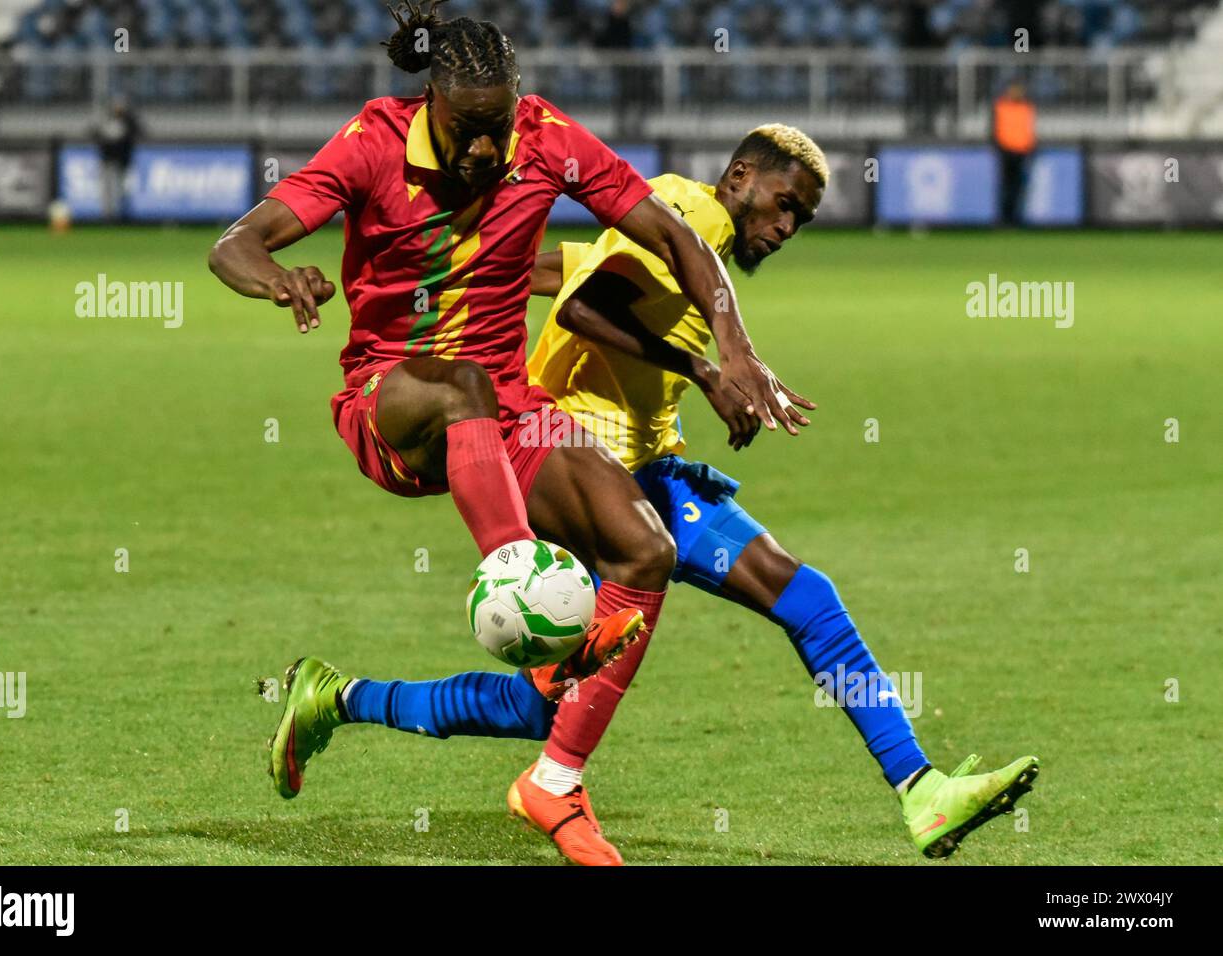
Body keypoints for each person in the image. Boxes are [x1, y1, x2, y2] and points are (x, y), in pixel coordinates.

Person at [300, 124, 1040, 865]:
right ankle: (440, 738)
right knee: (544, 699)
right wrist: (710, 371)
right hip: (586, 479)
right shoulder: (696, 217)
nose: (785, 228)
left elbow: (565, 276)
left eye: (802, 220)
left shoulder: (683, 220)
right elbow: (586, 307)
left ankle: (921, 789)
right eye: (782, 205)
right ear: (742, 175)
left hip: (652, 470)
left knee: (800, 602)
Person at [207, 1, 808, 802]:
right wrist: (280, 279)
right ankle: (516, 572)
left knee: (645, 547)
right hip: (395, 400)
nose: (488, 146)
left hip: (509, 413)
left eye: (501, 124)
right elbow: (234, 244)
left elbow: (676, 237)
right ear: (434, 105)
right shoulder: (372, 143)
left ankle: (552, 774)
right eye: (470, 128)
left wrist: (735, 348)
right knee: (464, 386)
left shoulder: (546, 137)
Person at [993, 80, 1037, 225]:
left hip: (1022, 152)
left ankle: (1016, 219)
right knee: (1006, 186)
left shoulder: (1027, 107)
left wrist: (1030, 147)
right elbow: (995, 130)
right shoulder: (1001, 106)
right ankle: (1004, 218)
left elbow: (1029, 129)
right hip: (1006, 152)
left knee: (1019, 187)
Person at [96, 97, 141, 223]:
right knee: (107, 190)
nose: (118, 109)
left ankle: (121, 215)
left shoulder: (129, 121)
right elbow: (96, 134)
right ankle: (107, 215)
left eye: (120, 106)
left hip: (122, 161)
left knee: (122, 190)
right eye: (116, 106)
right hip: (107, 160)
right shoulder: (107, 120)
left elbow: (139, 132)